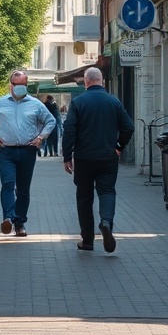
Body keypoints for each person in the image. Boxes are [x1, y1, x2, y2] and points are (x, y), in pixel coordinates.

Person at [62, 68, 134, 253]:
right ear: (102, 81)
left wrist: (67, 156)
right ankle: (106, 222)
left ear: (86, 82)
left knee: (84, 197)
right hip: (108, 157)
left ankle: (87, 240)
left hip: (84, 157)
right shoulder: (113, 102)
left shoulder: (78, 102)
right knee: (107, 191)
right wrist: (118, 147)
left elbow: (69, 129)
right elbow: (128, 127)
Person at [0, 70, 56, 237]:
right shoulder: (0, 103)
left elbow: (50, 121)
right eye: (18, 85)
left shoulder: (36, 104)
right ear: (11, 85)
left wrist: (40, 138)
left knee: (23, 189)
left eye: (24, 84)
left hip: (27, 150)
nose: (21, 87)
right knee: (7, 184)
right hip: (6, 150)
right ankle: (8, 218)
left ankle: (20, 222)